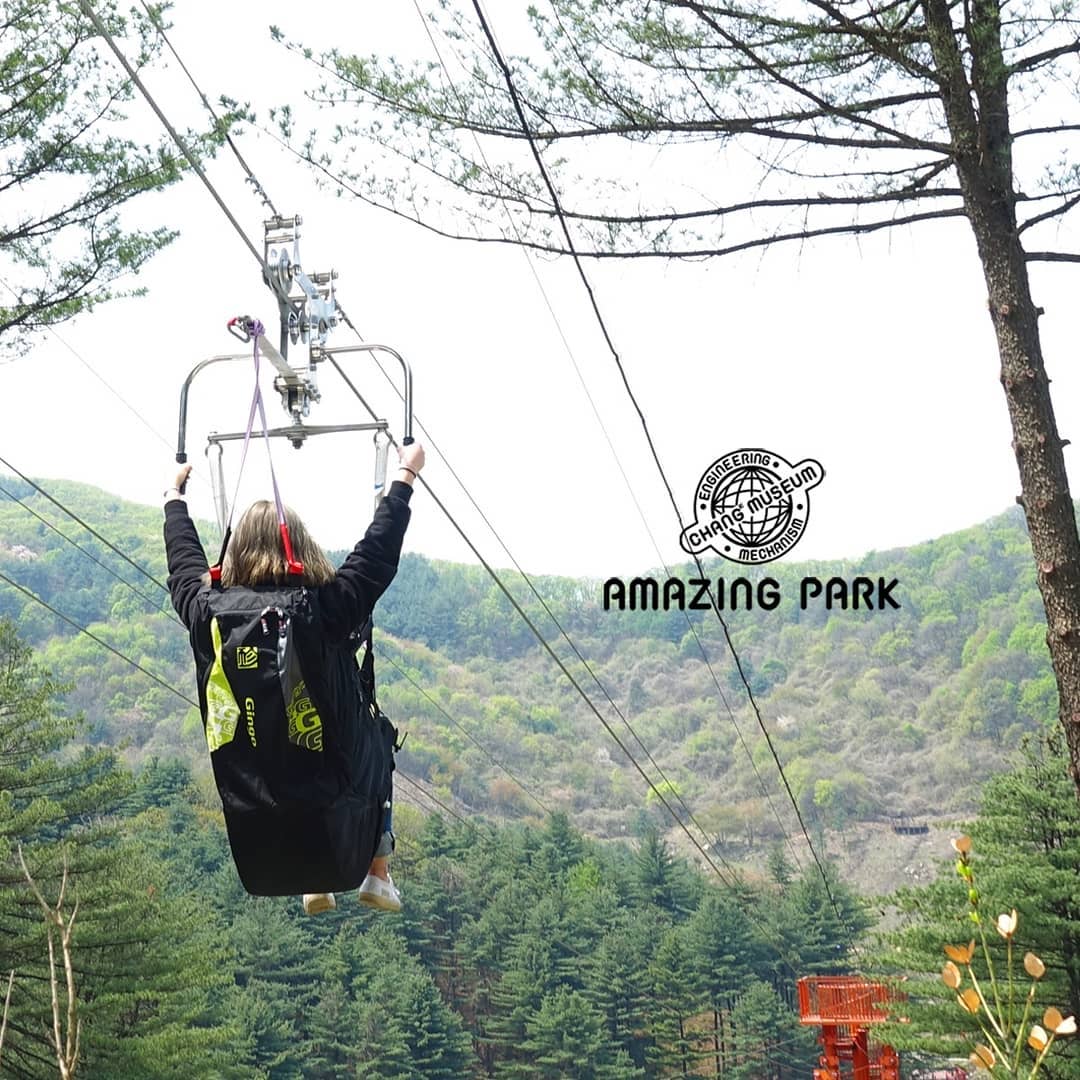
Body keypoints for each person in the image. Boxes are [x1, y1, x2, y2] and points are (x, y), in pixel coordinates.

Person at [163, 442, 425, 914]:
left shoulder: (208, 615)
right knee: (380, 738)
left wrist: (173, 499)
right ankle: (378, 870)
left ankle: (313, 882)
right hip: (335, 814)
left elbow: (183, 567)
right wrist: (404, 476)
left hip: (258, 824)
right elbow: (376, 555)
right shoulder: (324, 610)